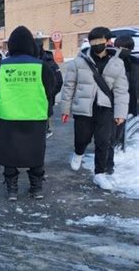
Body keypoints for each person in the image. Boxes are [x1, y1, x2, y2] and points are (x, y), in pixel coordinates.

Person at [0, 26, 55, 201]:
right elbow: (51, 89)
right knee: (36, 152)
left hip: (7, 117)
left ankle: (12, 189)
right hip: (35, 116)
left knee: (9, 154)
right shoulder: (41, 66)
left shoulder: (1, 66)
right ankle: (36, 188)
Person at [61, 27, 129, 190]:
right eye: (94, 41)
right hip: (83, 108)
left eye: (100, 41)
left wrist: (120, 113)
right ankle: (78, 152)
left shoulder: (117, 63)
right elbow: (69, 86)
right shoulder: (78, 62)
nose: (97, 44)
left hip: (105, 109)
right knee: (82, 138)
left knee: (103, 142)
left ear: (107, 42)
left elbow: (121, 90)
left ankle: (99, 174)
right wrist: (65, 109)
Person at [106, 35, 139, 173]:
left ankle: (108, 163)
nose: (124, 50)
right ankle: (108, 164)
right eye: (121, 48)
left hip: (121, 104)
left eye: (127, 48)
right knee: (110, 135)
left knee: (113, 135)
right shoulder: (111, 60)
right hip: (113, 104)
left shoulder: (134, 63)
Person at [35, 39, 64, 138]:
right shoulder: (29, 60)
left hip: (46, 98)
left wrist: (49, 94)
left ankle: (46, 130)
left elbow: (59, 81)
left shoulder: (49, 61)